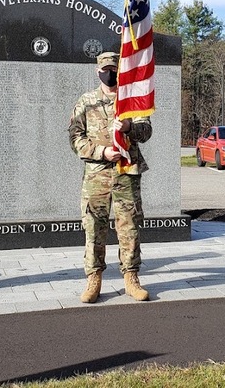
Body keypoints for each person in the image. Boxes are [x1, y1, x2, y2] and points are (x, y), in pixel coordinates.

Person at [68, 51, 152, 303]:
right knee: (94, 226)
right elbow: (75, 137)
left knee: (129, 226)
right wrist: (101, 151)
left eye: (113, 68)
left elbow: (146, 131)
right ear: (97, 71)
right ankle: (94, 278)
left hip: (126, 172)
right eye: (104, 69)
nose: (109, 73)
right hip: (97, 174)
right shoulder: (87, 101)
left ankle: (131, 277)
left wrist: (129, 127)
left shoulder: (132, 101)